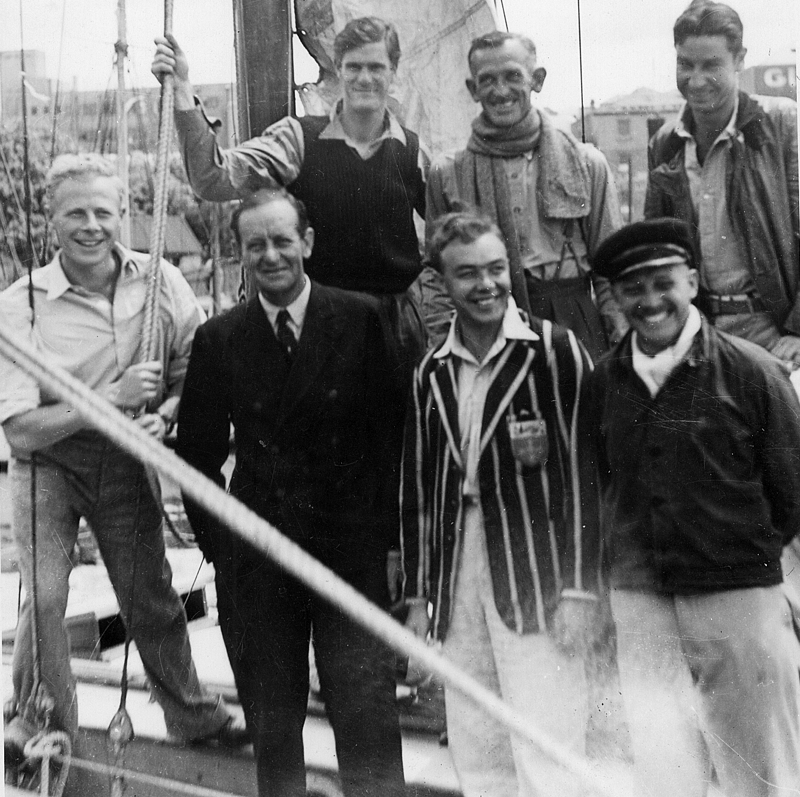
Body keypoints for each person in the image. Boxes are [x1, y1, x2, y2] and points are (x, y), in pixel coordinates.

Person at [0, 154, 246, 768]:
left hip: (124, 457)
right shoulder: (20, 304)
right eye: (75, 213)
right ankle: (37, 719)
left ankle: (192, 715)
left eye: (103, 212)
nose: (91, 225)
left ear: (124, 215)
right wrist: (107, 399)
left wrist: (167, 411)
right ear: (50, 220)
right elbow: (23, 432)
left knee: (148, 593)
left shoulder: (162, 280)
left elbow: (199, 365)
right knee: (49, 595)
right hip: (49, 463)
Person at [175, 188, 405, 797]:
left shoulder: (361, 318)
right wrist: (226, 547)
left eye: (283, 240)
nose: (271, 255)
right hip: (259, 556)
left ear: (307, 242)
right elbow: (195, 459)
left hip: (347, 552)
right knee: (274, 723)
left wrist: (391, 545)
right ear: (241, 253)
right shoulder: (219, 340)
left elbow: (393, 441)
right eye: (257, 245)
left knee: (366, 714)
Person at [590, 217, 800, 797]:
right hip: (644, 606)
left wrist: (737, 563)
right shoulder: (602, 382)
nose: (650, 301)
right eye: (633, 289)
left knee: (761, 774)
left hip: (736, 603)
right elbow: (600, 495)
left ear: (693, 279)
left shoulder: (753, 371)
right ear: (615, 297)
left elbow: (793, 496)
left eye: (663, 283)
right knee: (664, 773)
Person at [401, 210, 600, 797]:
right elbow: (418, 487)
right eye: (468, 274)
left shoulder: (554, 351)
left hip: (538, 571)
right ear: (442, 282)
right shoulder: (431, 372)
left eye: (495, 269)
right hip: (458, 569)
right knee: (477, 736)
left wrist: (582, 589)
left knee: (549, 737)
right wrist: (417, 597)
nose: (486, 285)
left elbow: (589, 477)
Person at [151, 17, 426, 369]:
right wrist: (183, 88)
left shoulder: (413, 151)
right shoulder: (297, 140)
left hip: (394, 331)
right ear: (338, 70)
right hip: (317, 326)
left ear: (394, 73)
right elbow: (212, 178)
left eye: (376, 67)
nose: (365, 78)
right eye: (353, 67)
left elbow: (450, 236)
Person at [423, 30, 626, 361]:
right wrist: (443, 344)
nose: (501, 91)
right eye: (487, 80)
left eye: (513, 76)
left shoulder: (587, 164)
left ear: (537, 79)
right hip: (485, 322)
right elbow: (436, 274)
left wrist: (621, 344)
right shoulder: (448, 172)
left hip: (574, 320)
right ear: (472, 89)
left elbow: (611, 267)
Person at [646, 0, 800, 366]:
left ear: (740, 59)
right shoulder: (665, 142)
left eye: (711, 65)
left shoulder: (780, 123)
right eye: (685, 64)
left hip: (773, 330)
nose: (696, 80)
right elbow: (658, 250)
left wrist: (797, 330)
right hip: (698, 333)